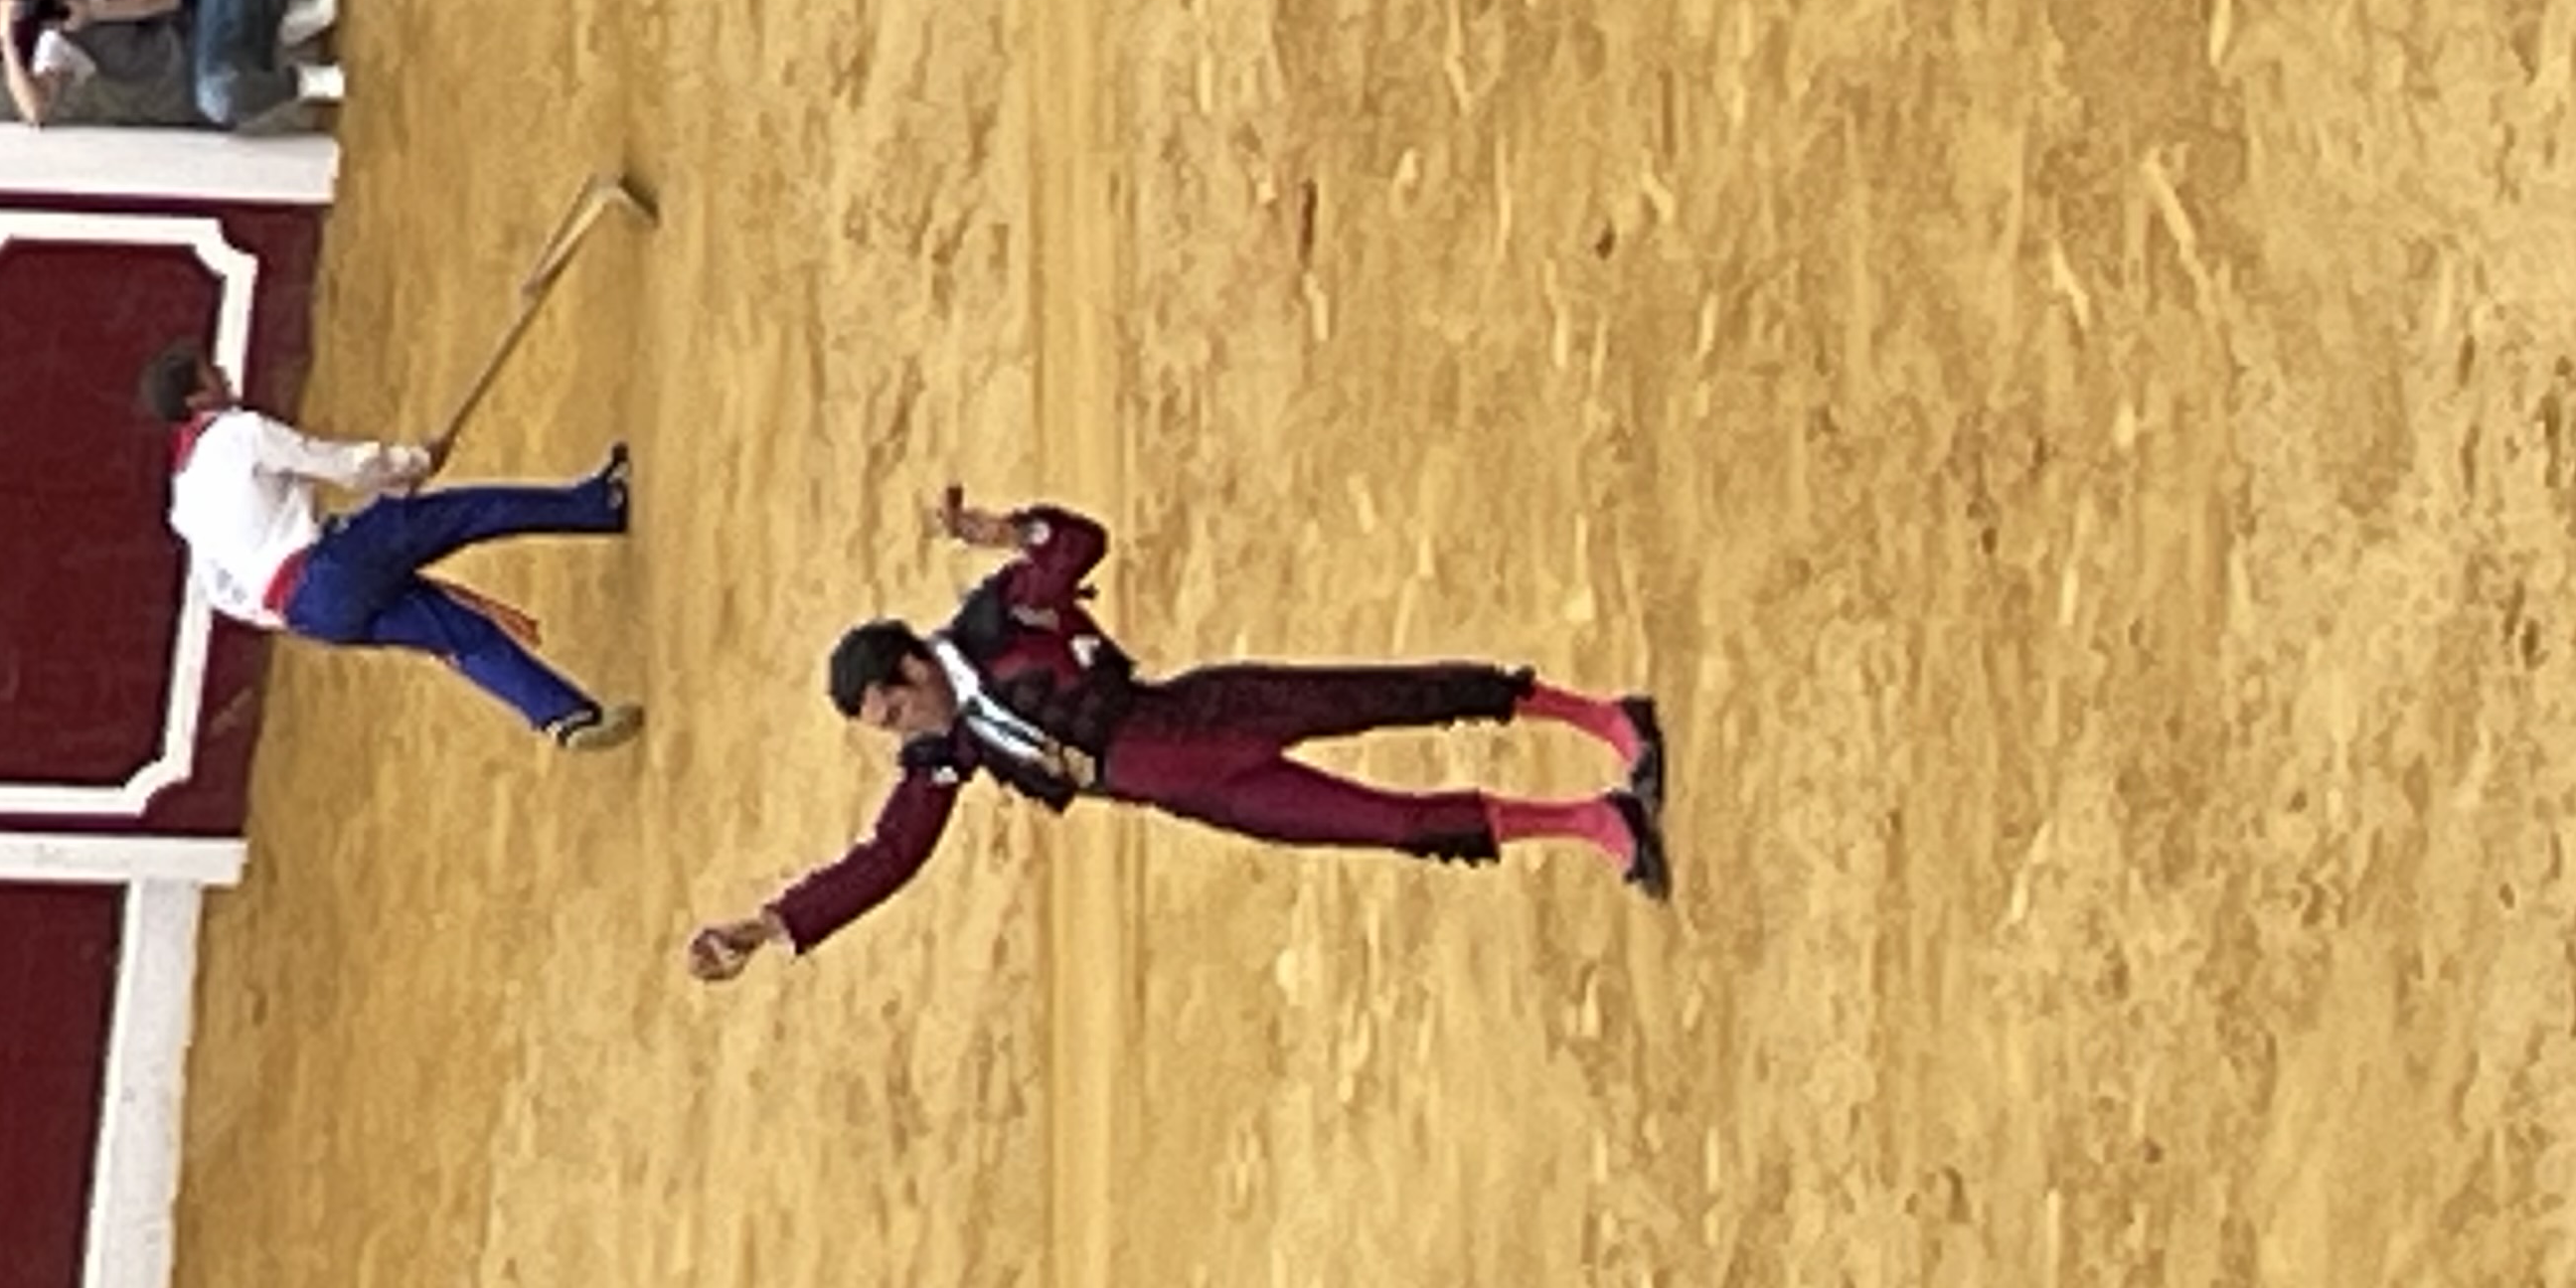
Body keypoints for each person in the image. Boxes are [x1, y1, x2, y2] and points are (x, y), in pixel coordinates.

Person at [686, 491, 1672, 983]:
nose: (898, 734)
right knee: (1397, 826)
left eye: (891, 711)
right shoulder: (948, 755)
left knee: (1400, 697)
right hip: (1206, 792)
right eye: (885, 730)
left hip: (1210, 713)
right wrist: (772, 926)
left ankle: (1602, 718)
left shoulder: (1001, 621)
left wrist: (1000, 532)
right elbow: (889, 856)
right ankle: (1593, 822)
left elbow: (1080, 544)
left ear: (907, 669)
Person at [144, 342, 639, 753]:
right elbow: (339, 464)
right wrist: (412, 461)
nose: (224, 375)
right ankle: (598, 503)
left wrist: (297, 609)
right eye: (211, 374)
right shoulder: (240, 432)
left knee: (460, 637)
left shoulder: (183, 502)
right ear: (196, 399)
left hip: (309, 614)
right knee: (467, 513)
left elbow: (224, 594)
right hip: (330, 565)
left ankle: (566, 717)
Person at [0, 0, 338, 130]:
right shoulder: (59, 41)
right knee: (220, 98)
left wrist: (99, 11)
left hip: (209, 19)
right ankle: (302, 81)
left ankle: (279, 21)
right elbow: (36, 111)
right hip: (195, 82)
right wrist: (7, 41)